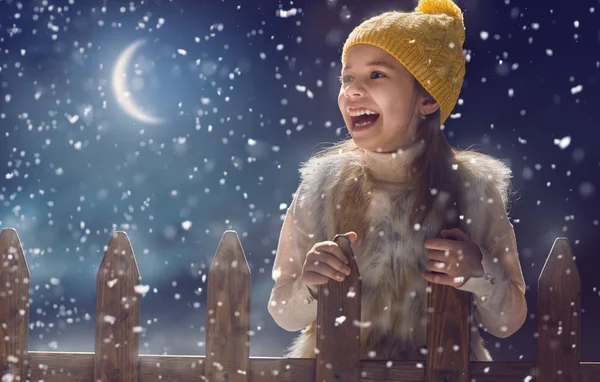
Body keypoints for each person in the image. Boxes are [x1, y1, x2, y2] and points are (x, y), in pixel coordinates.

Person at [267, 0, 527, 361]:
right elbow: (283, 313)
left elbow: (507, 321)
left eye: (376, 74)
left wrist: (478, 270)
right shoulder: (321, 187)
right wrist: (309, 285)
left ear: (428, 99)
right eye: (347, 77)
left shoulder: (474, 190)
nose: (352, 90)